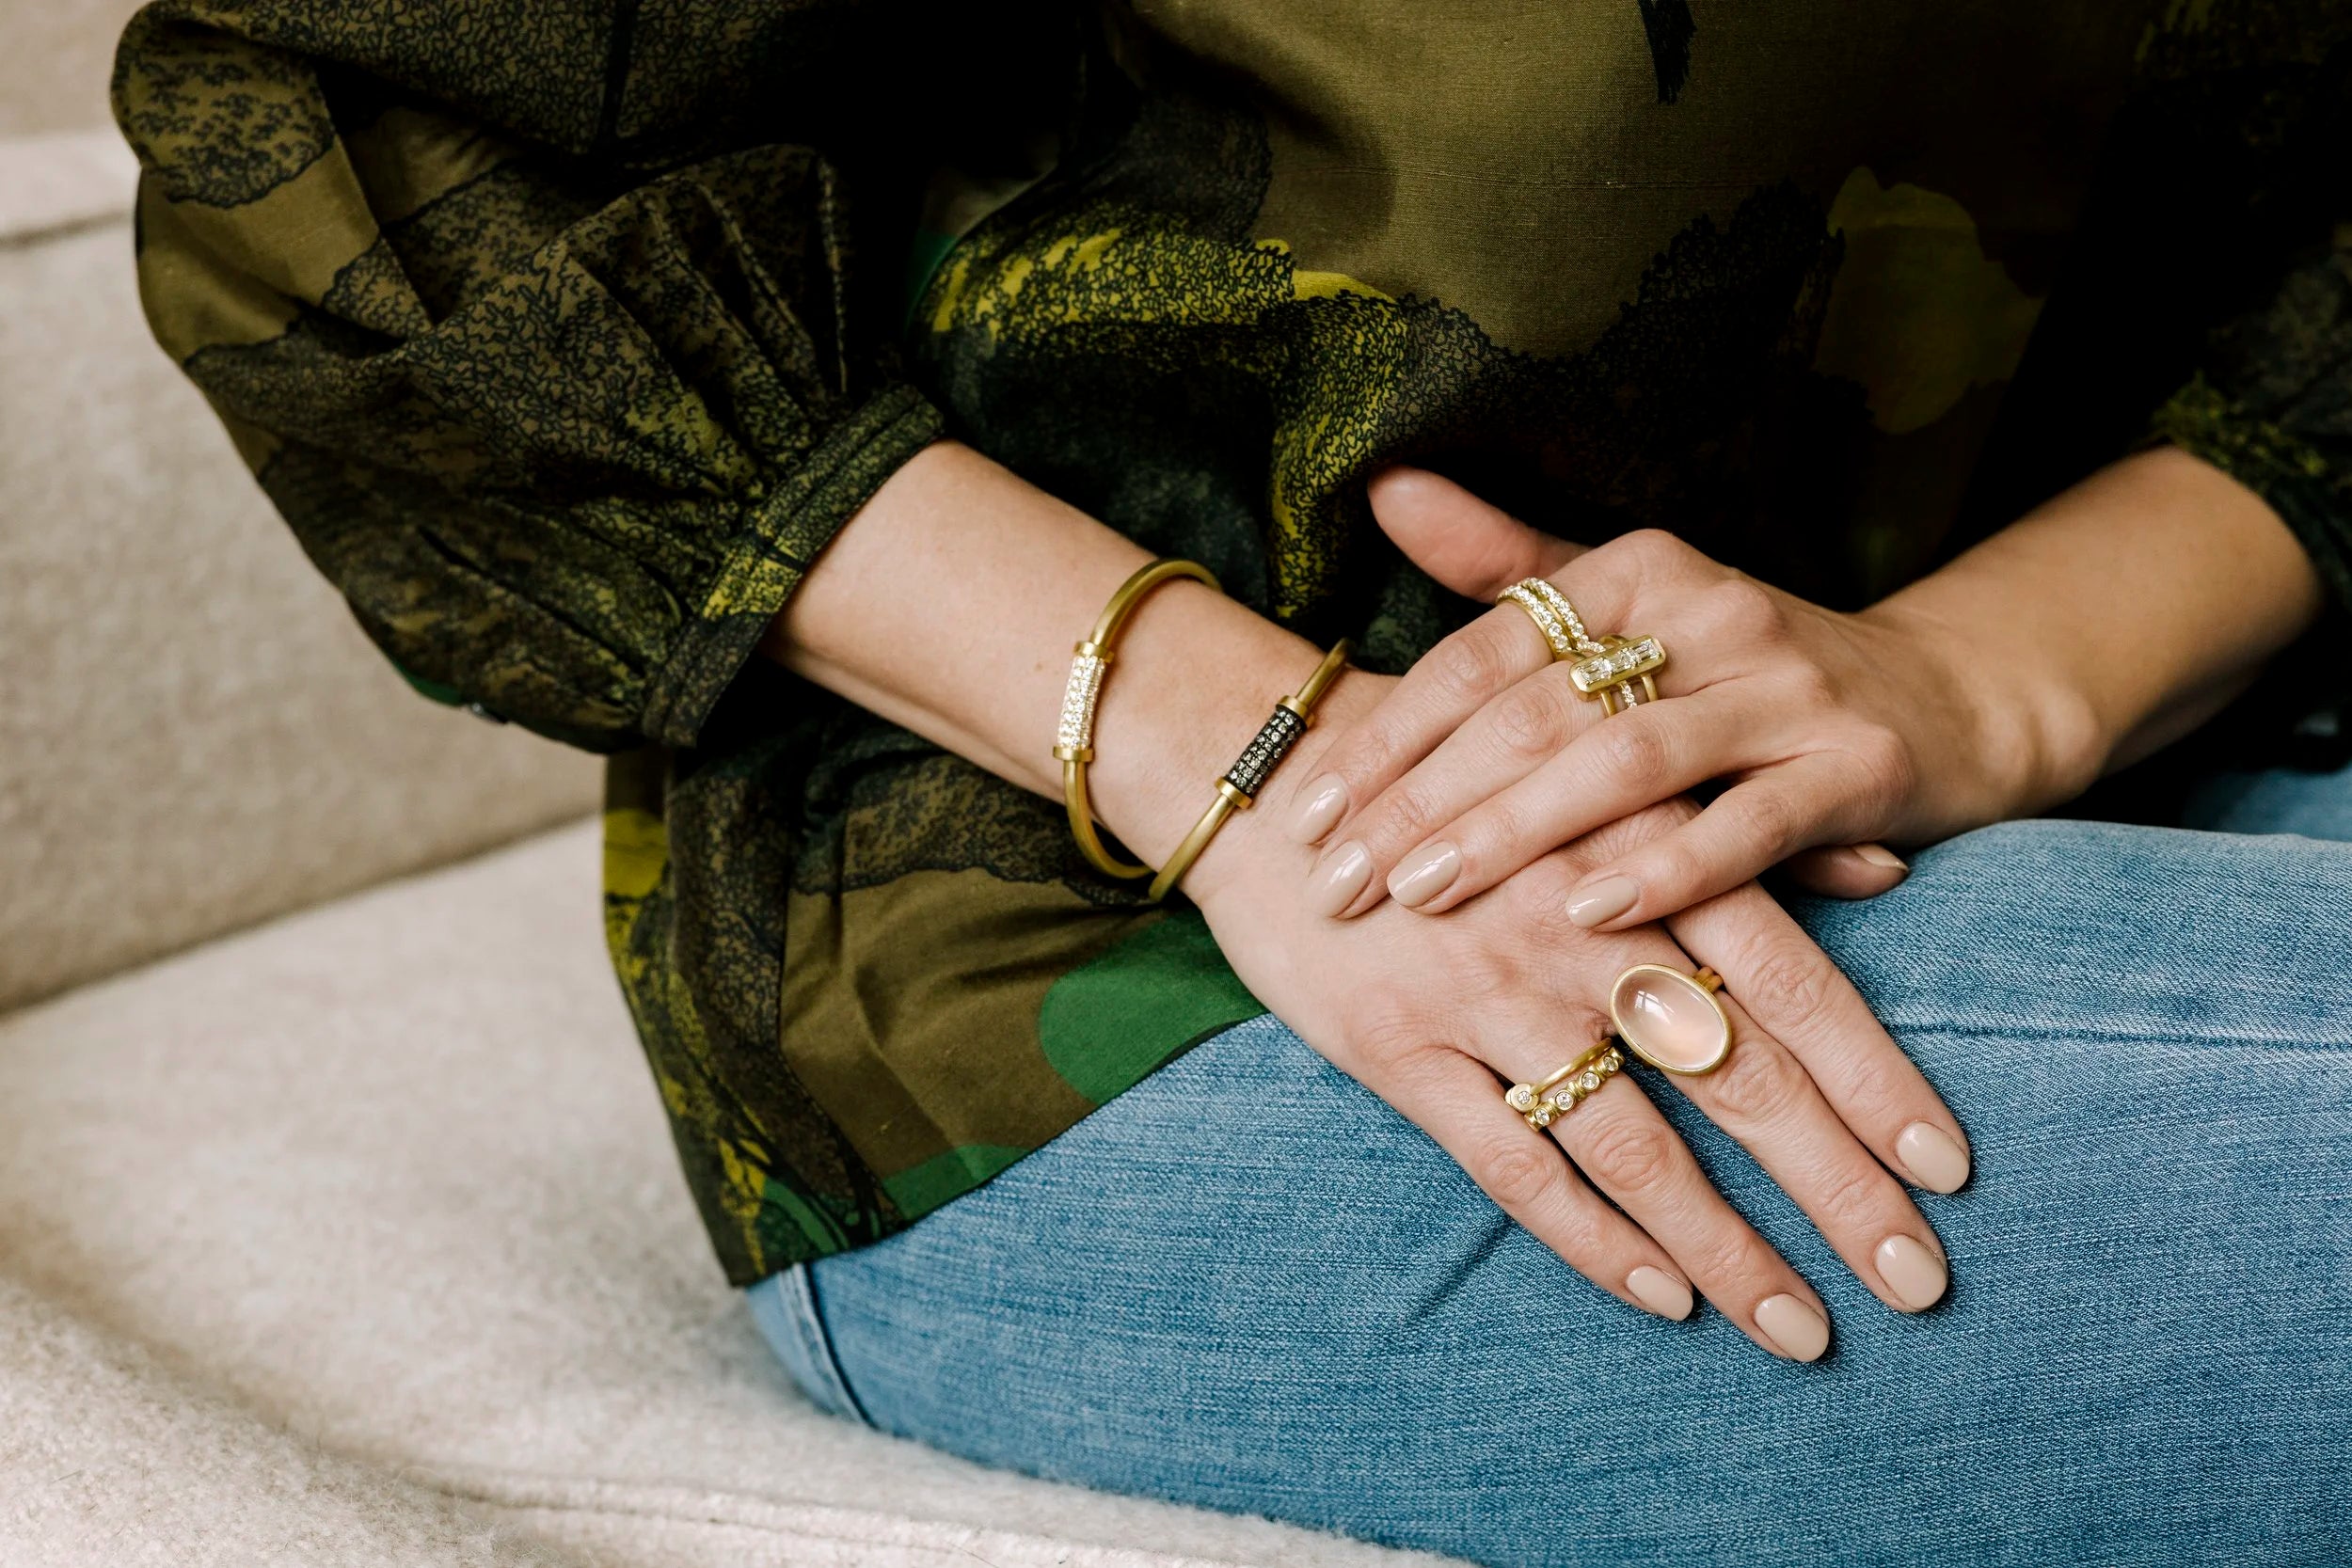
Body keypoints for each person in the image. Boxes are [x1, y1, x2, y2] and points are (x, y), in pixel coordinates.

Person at [113, 0, 2351, 1560]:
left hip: (2111, 708)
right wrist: (1257, 760)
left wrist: (1989, 675)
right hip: (1143, 962)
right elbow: (340, 128)